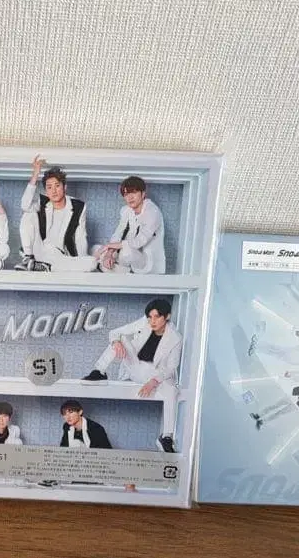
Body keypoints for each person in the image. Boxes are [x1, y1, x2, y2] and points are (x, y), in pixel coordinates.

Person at [80, 298, 182, 453]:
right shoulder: (144, 323)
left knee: (172, 391)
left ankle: (166, 437)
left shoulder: (175, 338)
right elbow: (115, 332)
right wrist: (116, 342)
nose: (152, 321)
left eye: (156, 317)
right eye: (150, 317)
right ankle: (99, 371)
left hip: (156, 375)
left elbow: (171, 367)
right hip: (136, 367)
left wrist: (154, 381)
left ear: (167, 316)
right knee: (120, 339)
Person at [14, 155, 96, 273]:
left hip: (60, 256)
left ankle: (44, 267)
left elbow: (80, 237)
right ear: (46, 191)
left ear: (64, 187)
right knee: (28, 214)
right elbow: (25, 206)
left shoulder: (78, 206)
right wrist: (35, 174)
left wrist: (81, 259)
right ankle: (28, 259)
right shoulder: (43, 203)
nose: (54, 191)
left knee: (92, 262)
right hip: (39, 250)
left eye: (57, 186)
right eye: (49, 187)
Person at [93, 176, 166, 274]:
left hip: (147, 262)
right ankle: (115, 267)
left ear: (143, 194)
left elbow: (138, 242)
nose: (130, 197)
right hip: (127, 257)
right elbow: (118, 234)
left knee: (126, 252)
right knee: (96, 249)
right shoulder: (126, 210)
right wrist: (109, 254)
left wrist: (109, 246)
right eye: (126, 194)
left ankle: (111, 268)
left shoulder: (152, 212)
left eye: (134, 192)